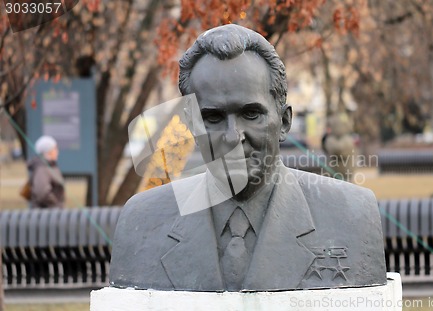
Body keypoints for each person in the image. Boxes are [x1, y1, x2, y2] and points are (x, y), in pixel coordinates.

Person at [109, 24, 386, 292]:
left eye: (251, 114)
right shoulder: (142, 221)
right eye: (213, 117)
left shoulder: (353, 215)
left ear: (285, 122)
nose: (233, 137)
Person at [27, 135, 65, 208]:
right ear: (49, 151)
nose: (57, 151)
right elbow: (41, 193)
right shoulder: (42, 168)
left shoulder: (51, 166)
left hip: (53, 214)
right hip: (46, 216)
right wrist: (56, 205)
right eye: (55, 148)